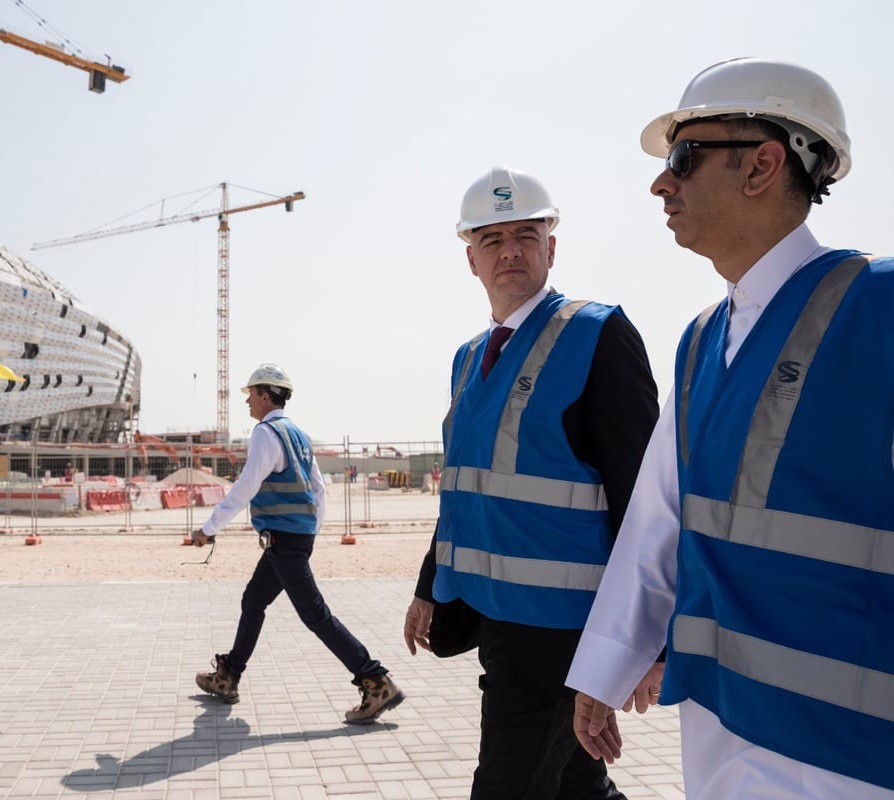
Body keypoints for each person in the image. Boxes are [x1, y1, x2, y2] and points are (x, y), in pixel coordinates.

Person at [566, 58, 894, 799]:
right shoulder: (701, 339)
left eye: (684, 157)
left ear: (763, 166)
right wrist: (604, 671)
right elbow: (658, 520)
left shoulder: (881, 305)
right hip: (721, 725)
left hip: (848, 751)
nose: (661, 184)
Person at [403, 166, 659, 799]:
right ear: (471, 259)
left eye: (524, 233)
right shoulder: (468, 358)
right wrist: (429, 584)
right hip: (495, 615)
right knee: (576, 783)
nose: (509, 250)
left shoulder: (597, 335)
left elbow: (646, 501)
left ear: (552, 246)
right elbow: (466, 487)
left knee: (508, 786)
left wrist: (651, 637)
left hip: (563, 626)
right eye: (491, 239)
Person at [192, 363, 404, 724]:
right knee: (254, 600)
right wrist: (311, 531)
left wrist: (211, 527)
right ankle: (229, 676)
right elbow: (319, 488)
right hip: (292, 538)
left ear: (264, 395)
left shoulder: (265, 433)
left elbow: (247, 485)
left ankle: (375, 680)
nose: (248, 403)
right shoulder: (299, 435)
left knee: (315, 615)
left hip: (284, 540)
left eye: (250, 396)